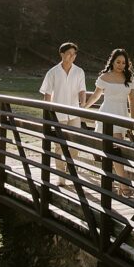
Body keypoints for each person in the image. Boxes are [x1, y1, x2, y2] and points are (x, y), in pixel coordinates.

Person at [84, 48, 134, 198]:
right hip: (107, 114)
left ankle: (117, 183)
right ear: (112, 62)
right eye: (118, 62)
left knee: (117, 150)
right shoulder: (104, 77)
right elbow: (96, 95)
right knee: (116, 148)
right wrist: (84, 108)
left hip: (122, 115)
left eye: (123, 63)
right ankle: (124, 185)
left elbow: (132, 100)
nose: (121, 65)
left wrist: (132, 121)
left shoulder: (130, 78)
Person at [39, 41, 87, 184]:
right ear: (62, 54)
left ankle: (71, 173)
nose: (72, 56)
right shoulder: (52, 72)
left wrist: (82, 105)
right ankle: (60, 175)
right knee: (59, 145)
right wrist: (47, 113)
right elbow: (47, 94)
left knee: (74, 144)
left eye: (74, 54)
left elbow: (82, 90)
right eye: (69, 54)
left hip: (74, 113)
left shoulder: (79, 71)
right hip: (58, 114)